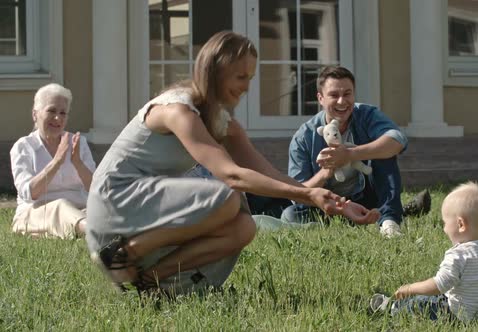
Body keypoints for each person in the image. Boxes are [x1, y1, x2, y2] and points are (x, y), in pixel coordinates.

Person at [86, 31, 377, 297]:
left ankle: (150, 280)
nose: (247, 87)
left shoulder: (222, 122)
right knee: (227, 197)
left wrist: (336, 202)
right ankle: (122, 254)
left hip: (148, 208)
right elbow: (232, 175)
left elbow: (270, 174)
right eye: (240, 76)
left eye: (250, 77)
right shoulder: (176, 110)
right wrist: (307, 194)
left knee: (243, 227)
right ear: (217, 71)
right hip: (115, 203)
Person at [279, 66, 430, 237]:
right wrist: (326, 172)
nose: (342, 101)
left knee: (383, 151)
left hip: (366, 195)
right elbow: (297, 193)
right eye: (334, 95)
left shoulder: (366, 114)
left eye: (347, 94)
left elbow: (397, 140)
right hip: (328, 205)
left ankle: (389, 221)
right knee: (290, 214)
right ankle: (394, 212)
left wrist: (350, 155)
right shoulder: (303, 137)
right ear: (320, 98)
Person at [369, 182, 478, 326]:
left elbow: (438, 285)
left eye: (445, 223)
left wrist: (410, 288)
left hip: (460, 316)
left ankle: (393, 307)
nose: (444, 228)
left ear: (460, 224)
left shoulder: (459, 255)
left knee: (422, 301)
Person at [10, 83, 95, 239]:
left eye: (63, 113)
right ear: (35, 114)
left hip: (79, 209)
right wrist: (56, 162)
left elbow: (94, 189)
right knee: (61, 206)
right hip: (35, 213)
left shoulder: (78, 143)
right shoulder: (23, 147)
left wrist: (77, 163)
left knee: (106, 208)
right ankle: (97, 233)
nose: (58, 118)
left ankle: (94, 228)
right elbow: (30, 194)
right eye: (51, 111)